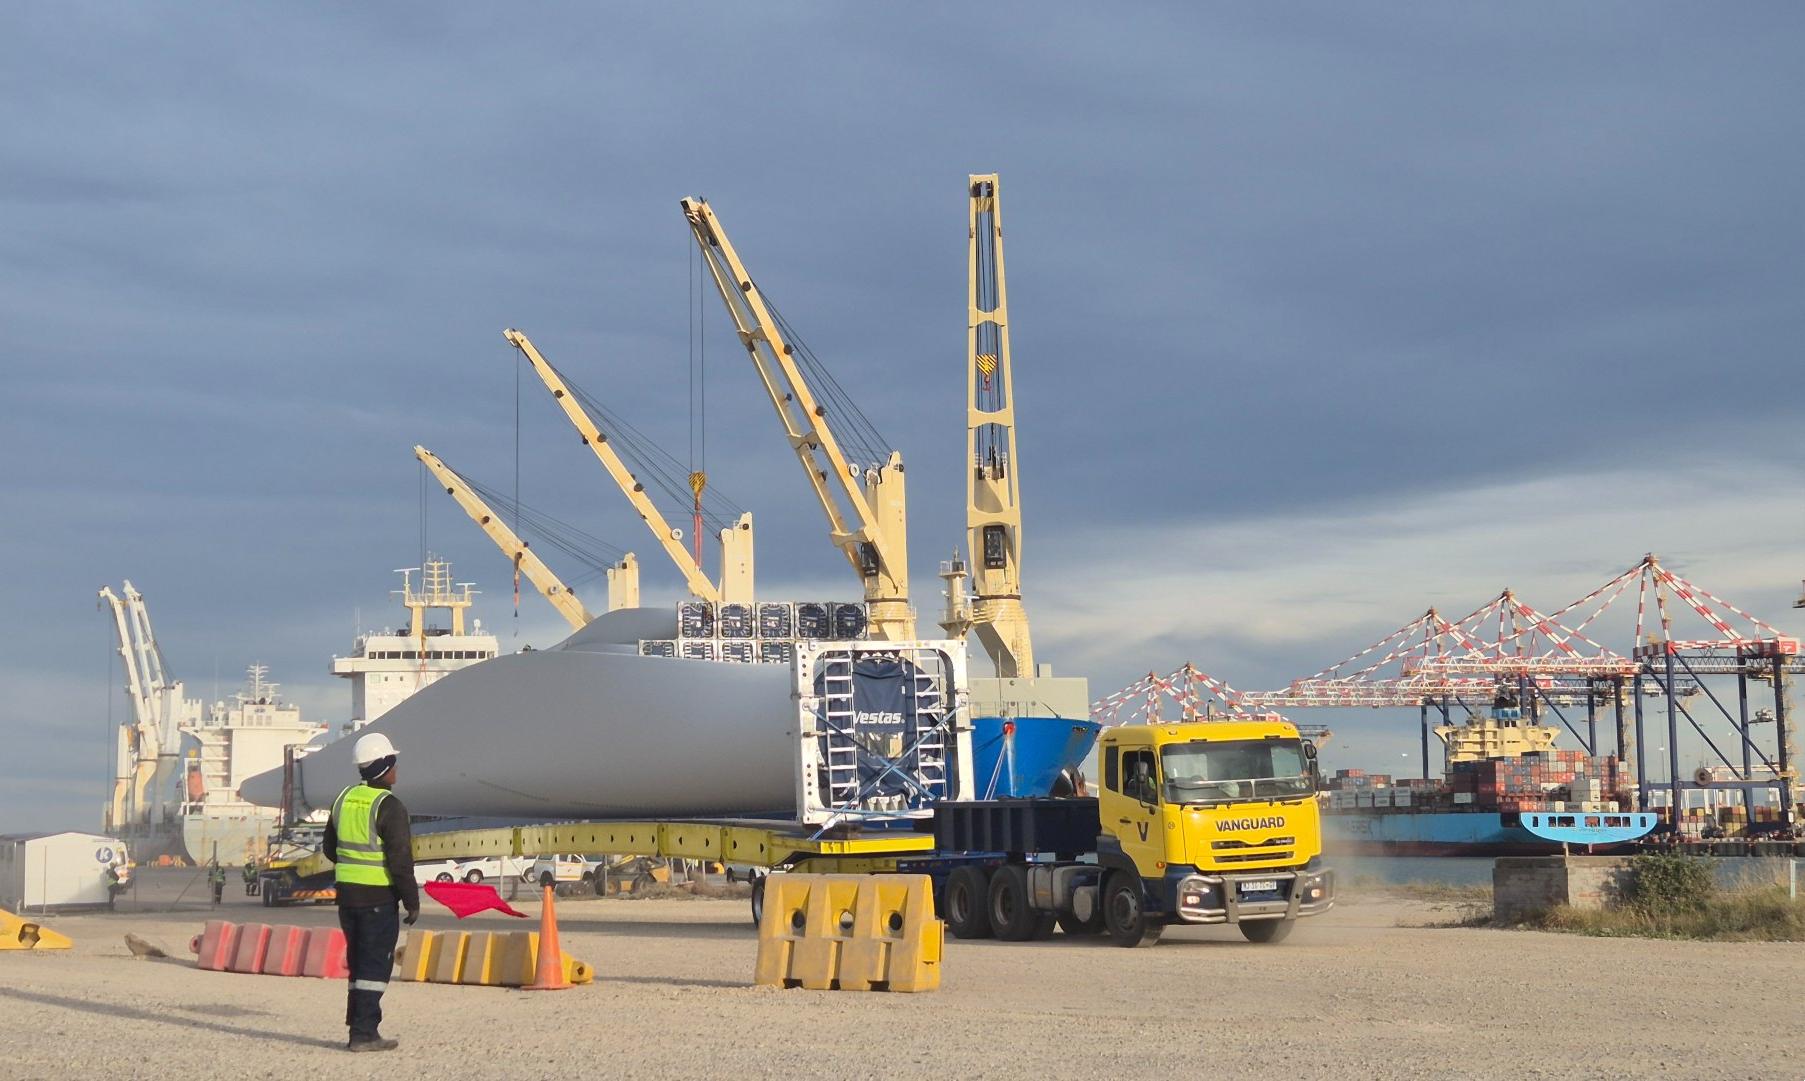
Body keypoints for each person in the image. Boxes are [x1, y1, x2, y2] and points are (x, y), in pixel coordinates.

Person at [322, 732, 420, 1054]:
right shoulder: (389, 806)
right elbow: (400, 860)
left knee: (359, 963)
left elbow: (329, 849)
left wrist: (353, 866)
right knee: (374, 968)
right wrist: (411, 900)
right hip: (378, 899)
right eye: (394, 763)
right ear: (384, 767)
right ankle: (364, 1034)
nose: (397, 769)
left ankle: (358, 1028)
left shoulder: (343, 799)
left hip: (347, 899)